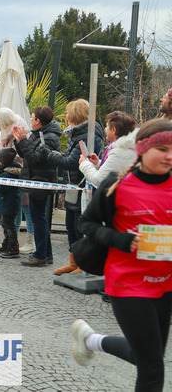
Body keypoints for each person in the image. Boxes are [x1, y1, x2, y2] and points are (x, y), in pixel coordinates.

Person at [71, 118, 172, 391]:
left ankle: (91, 341)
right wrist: (120, 239)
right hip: (128, 283)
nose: (169, 156)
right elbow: (86, 224)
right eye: (162, 149)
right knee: (152, 367)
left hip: (165, 285)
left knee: (147, 357)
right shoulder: (117, 185)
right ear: (142, 149)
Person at [45, 99, 104, 275]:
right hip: (73, 186)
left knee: (79, 228)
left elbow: (71, 162)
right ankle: (74, 262)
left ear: (75, 115)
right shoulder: (76, 134)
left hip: (83, 187)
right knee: (70, 226)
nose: (66, 115)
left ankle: (83, 264)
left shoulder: (87, 136)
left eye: (68, 112)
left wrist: (50, 155)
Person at [13, 106, 62, 267]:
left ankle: (40, 254)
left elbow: (35, 159)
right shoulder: (37, 134)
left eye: (32, 117)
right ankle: (46, 253)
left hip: (40, 180)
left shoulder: (48, 137)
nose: (30, 120)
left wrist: (23, 141)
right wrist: (19, 141)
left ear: (38, 120)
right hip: (33, 179)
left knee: (39, 219)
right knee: (39, 218)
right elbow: (25, 155)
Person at [0, 107, 34, 254]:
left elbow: (12, 155)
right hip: (15, 172)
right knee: (15, 212)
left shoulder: (18, 131)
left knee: (26, 208)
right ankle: (12, 240)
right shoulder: (6, 130)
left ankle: (28, 241)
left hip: (22, 173)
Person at [79, 111, 137, 188]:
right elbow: (117, 167)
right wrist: (98, 163)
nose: (105, 129)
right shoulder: (128, 147)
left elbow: (99, 180)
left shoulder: (119, 152)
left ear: (113, 130)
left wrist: (84, 164)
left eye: (107, 126)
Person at [0, 148, 22, 258]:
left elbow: (0, 188)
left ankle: (13, 247)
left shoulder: (8, 173)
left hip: (8, 202)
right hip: (7, 202)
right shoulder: (6, 170)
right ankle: (7, 244)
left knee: (9, 225)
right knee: (5, 224)